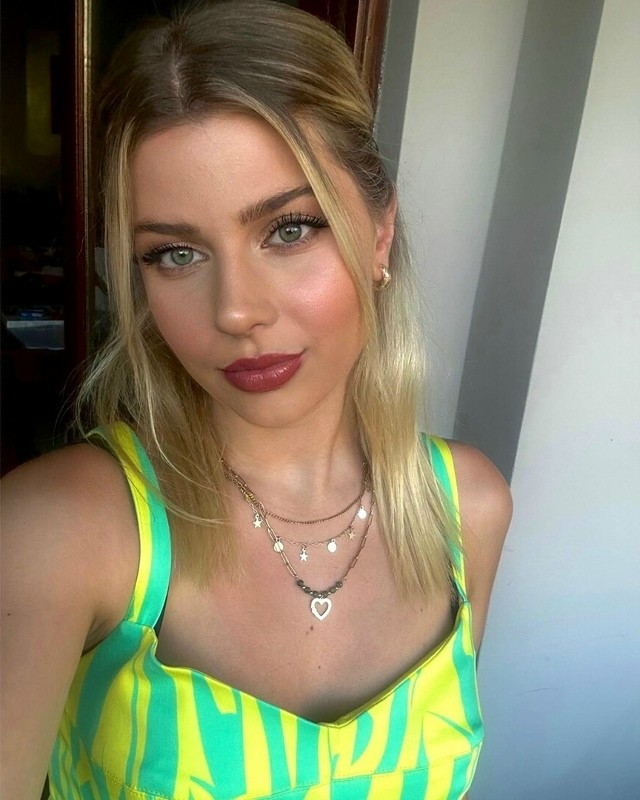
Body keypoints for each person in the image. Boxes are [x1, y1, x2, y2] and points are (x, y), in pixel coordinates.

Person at [0, 2, 512, 798]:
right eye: (176, 253)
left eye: (289, 229)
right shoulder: (58, 534)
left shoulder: (466, 509)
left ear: (379, 234)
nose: (236, 311)